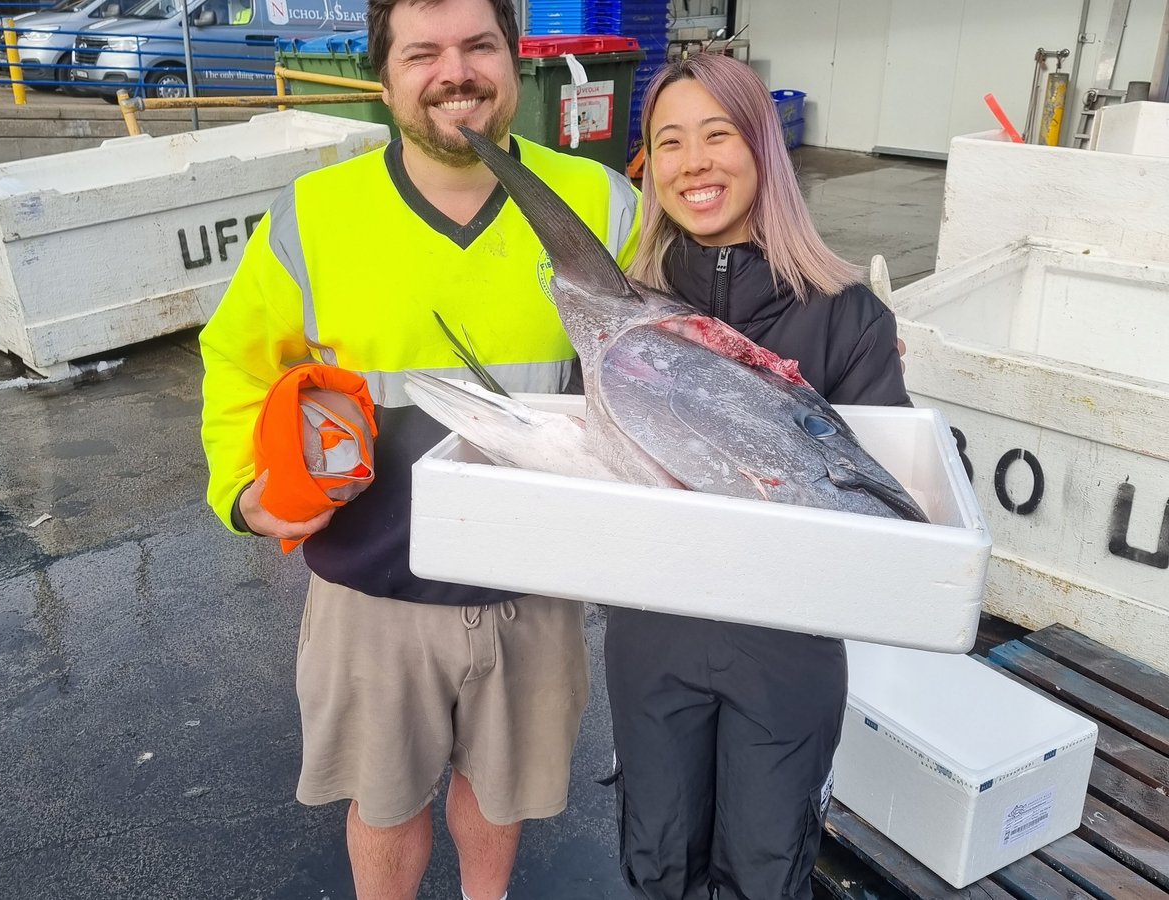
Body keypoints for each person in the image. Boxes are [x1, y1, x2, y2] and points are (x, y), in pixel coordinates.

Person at [197, 0, 640, 897]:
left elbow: (669, 358)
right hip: (373, 589)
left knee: (500, 795)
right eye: (423, 52)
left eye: (480, 46)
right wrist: (246, 492)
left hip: (535, 590)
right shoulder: (317, 215)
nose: (456, 73)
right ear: (385, 76)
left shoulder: (599, 203)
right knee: (385, 801)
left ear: (516, 63)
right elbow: (236, 360)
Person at [605, 53, 910, 900]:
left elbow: (885, 486)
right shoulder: (627, 317)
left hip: (789, 651)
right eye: (669, 142)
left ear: (765, 148)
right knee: (658, 860)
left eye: (718, 134)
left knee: (768, 869)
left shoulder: (847, 313)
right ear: (651, 167)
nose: (693, 162)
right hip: (653, 638)